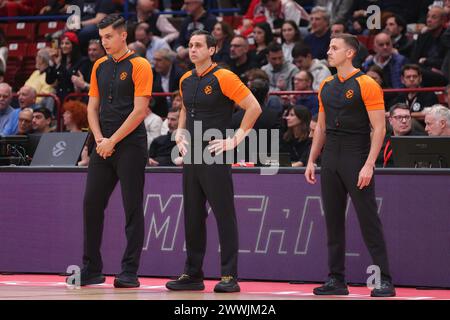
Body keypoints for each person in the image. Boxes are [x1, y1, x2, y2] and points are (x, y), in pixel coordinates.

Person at [165, 30, 261, 293]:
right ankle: (193, 274)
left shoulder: (224, 77)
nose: (192, 49)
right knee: (192, 215)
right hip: (192, 154)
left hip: (215, 152)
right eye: (190, 45)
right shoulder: (185, 78)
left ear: (212, 49)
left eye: (198, 45)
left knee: (224, 215)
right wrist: (180, 135)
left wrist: (235, 139)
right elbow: (184, 108)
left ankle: (229, 275)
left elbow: (253, 107)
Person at [304, 34, 396, 297]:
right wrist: (312, 159)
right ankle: (336, 279)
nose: (328, 51)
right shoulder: (326, 85)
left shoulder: (367, 84)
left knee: (368, 220)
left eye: (334, 48)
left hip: (356, 155)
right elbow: (320, 126)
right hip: (330, 156)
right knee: (332, 221)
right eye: (329, 47)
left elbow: (379, 128)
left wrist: (369, 164)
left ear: (349, 53)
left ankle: (384, 280)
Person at [71, 14, 153, 288]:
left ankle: (130, 271)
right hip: (102, 144)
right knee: (91, 204)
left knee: (132, 208)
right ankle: (91, 268)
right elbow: (92, 108)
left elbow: (139, 111)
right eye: (101, 37)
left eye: (108, 36)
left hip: (130, 145)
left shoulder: (140, 65)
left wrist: (112, 140)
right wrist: (99, 139)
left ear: (123, 36)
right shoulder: (98, 66)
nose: (104, 41)